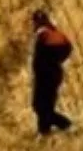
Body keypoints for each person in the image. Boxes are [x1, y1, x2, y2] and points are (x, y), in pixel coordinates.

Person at [30, 9, 73, 137]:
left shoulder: (42, 34)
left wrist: (38, 69)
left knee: (38, 104)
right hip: (55, 73)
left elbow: (38, 57)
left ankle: (64, 124)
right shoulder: (56, 33)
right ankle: (44, 132)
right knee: (46, 104)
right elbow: (69, 48)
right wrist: (57, 61)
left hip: (44, 75)